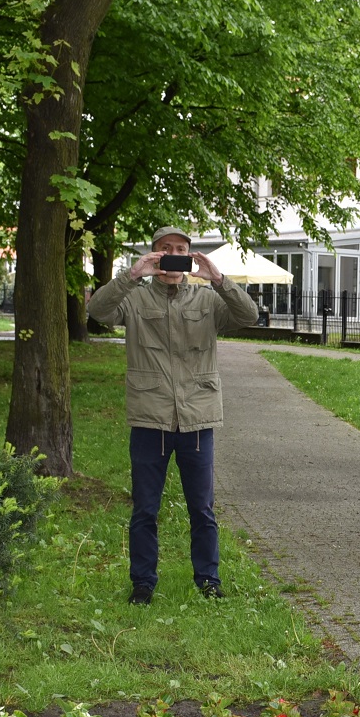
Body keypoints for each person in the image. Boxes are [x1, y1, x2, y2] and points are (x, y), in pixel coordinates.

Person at [86, 225, 259, 606]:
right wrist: (132, 275)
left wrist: (218, 279)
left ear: (189, 255)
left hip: (197, 418)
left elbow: (249, 315)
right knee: (145, 509)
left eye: (181, 249)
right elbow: (97, 311)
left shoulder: (207, 300)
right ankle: (143, 583)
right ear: (155, 253)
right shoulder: (134, 298)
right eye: (166, 248)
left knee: (203, 509)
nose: (174, 254)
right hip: (150, 418)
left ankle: (208, 579)